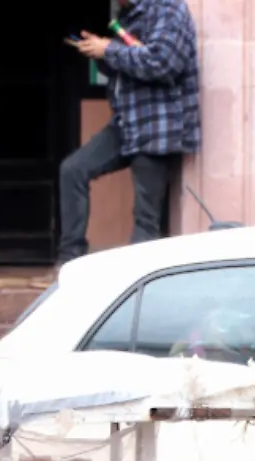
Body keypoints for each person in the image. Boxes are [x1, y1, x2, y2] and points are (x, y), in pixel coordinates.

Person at [60, 0, 202, 264]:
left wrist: (109, 50)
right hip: (126, 122)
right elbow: (123, 64)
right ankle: (70, 259)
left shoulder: (169, 10)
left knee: (145, 220)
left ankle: (139, 284)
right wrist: (98, 51)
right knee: (73, 170)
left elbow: (162, 63)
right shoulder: (128, 16)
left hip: (158, 127)